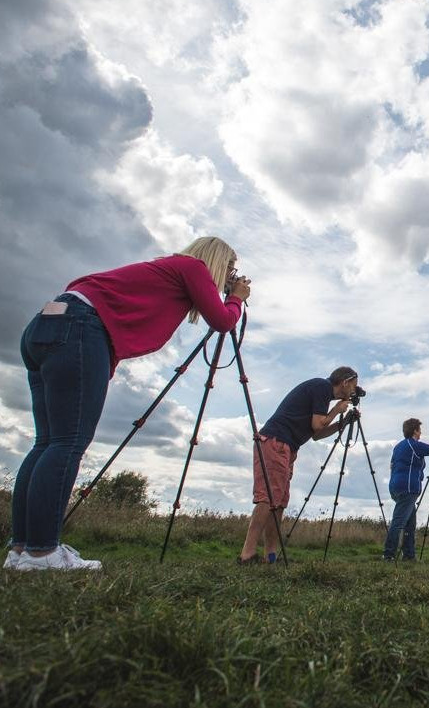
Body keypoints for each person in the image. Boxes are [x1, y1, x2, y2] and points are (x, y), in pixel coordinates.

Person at [5, 237, 251, 572]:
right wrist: (236, 299)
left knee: (47, 442)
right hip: (80, 326)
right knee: (67, 443)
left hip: (48, 323)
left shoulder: (166, 269)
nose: (229, 276)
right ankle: (42, 553)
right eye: (230, 268)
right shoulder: (191, 267)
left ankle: (22, 550)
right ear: (217, 260)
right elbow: (222, 321)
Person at [237, 366, 359, 564]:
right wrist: (337, 410)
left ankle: (271, 556)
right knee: (267, 498)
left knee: (279, 503)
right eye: (353, 385)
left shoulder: (323, 393)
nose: (354, 390)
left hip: (286, 447)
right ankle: (247, 554)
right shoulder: (322, 387)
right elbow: (318, 425)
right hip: (275, 442)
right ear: (345, 381)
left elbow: (317, 435)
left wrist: (342, 424)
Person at [382, 418, 429, 562]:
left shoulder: (399, 446)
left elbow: (392, 465)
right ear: (415, 431)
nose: (420, 433)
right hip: (408, 488)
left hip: (396, 486)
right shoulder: (413, 445)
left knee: (410, 524)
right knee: (399, 522)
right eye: (419, 430)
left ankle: (409, 555)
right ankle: (388, 555)